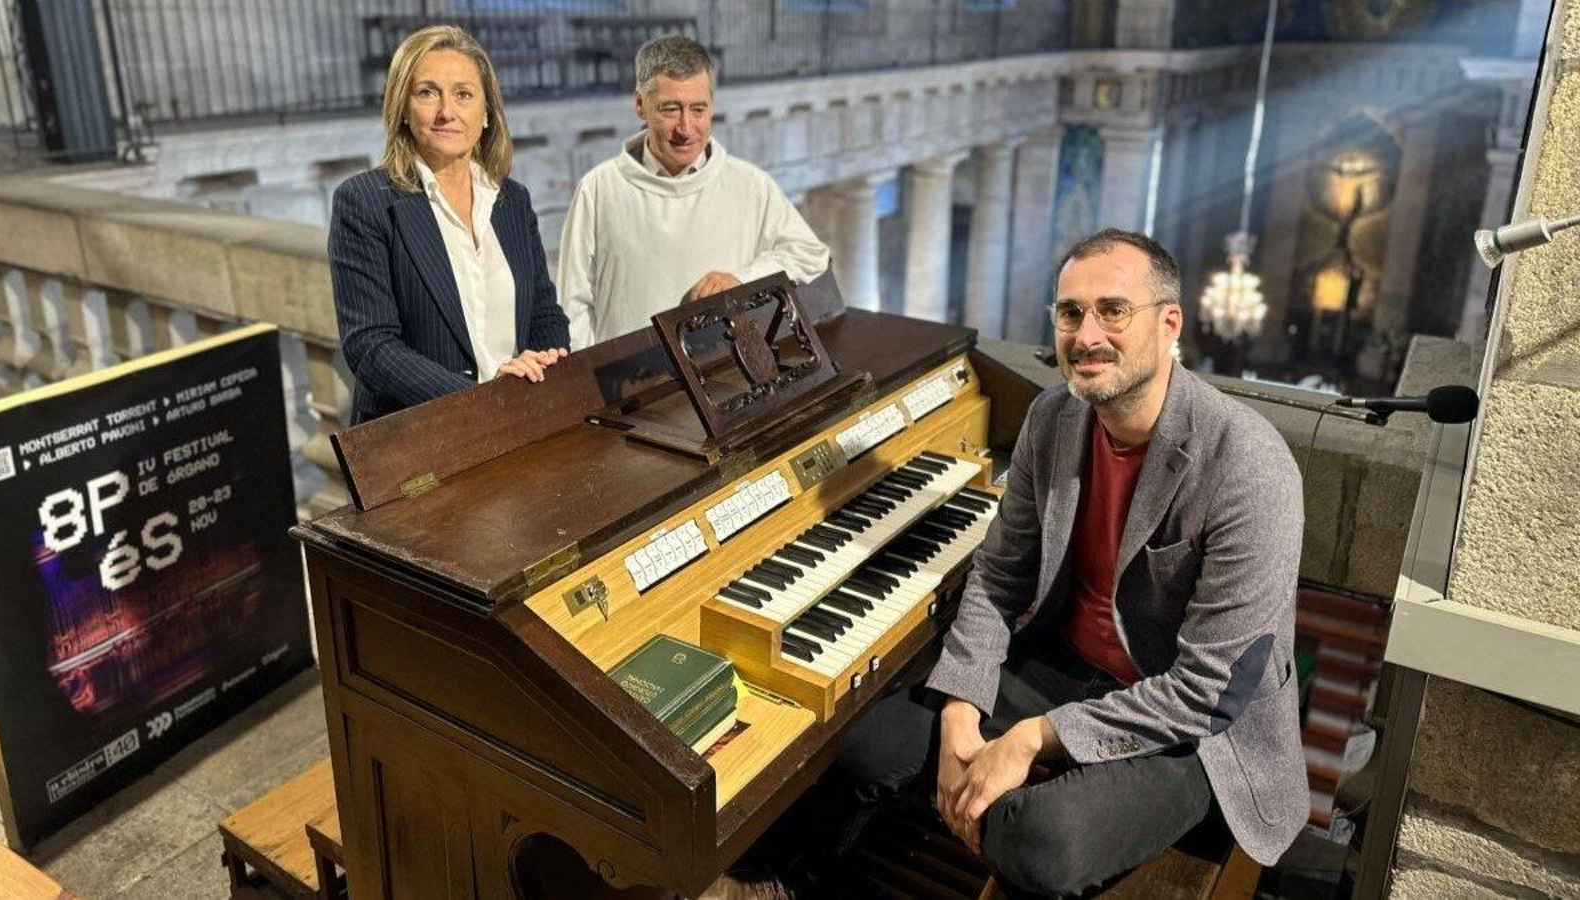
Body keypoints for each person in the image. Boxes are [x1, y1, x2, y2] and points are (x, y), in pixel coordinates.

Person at [712, 230, 1308, 899]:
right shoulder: (1053, 417)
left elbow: (1206, 692)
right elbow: (999, 574)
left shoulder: (1249, 468)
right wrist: (963, 701)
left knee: (1035, 842)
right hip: (1061, 667)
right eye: (1069, 313)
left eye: (1114, 310)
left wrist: (1032, 740)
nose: (1086, 335)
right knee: (867, 751)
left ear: (1169, 324)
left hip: (1190, 728)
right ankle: (793, 883)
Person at [329, 25, 570, 424]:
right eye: (427, 92)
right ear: (402, 110)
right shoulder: (365, 202)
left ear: (487, 112)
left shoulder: (513, 200)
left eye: (463, 94)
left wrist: (543, 363)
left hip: (517, 420)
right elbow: (370, 346)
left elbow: (544, 313)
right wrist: (481, 400)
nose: (447, 112)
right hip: (422, 437)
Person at [557, 36, 829, 348]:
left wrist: (742, 279)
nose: (686, 128)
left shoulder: (749, 183)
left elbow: (810, 255)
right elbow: (572, 306)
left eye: (698, 109)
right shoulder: (598, 189)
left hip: (724, 374)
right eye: (671, 109)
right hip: (629, 384)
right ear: (640, 105)